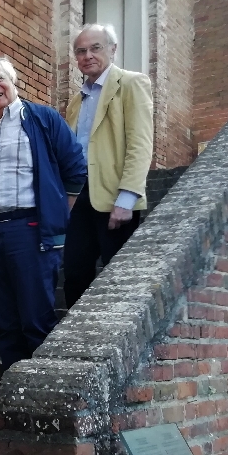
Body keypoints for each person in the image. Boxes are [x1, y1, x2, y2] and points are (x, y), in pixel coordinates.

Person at [0, 57, 87, 372]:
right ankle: (13, 403)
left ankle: (39, 399)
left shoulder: (42, 118)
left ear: (12, 80)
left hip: (28, 229)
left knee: (35, 320)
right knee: (4, 324)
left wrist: (59, 216)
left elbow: (75, 169)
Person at [63, 23, 153, 307]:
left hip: (115, 196)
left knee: (117, 278)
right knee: (75, 273)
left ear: (113, 50)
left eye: (95, 47)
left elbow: (140, 143)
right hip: (79, 196)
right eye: (81, 51)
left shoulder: (131, 83)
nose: (87, 55)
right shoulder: (76, 101)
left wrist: (126, 198)